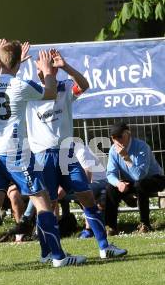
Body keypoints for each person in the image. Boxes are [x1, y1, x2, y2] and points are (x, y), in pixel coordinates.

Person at [0, 39, 85, 272]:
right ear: (18, 62)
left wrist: (2, 60)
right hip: (15, 152)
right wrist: (47, 71)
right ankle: (57, 256)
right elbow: (49, 93)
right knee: (43, 201)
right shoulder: (19, 85)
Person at [25, 48, 126, 259]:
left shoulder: (64, 88)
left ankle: (104, 246)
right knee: (48, 205)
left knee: (87, 196)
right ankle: (47, 252)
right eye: (42, 67)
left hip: (67, 154)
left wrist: (66, 66)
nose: (44, 70)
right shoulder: (31, 92)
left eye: (48, 66)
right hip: (44, 156)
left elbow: (85, 85)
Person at [106, 121, 165, 234]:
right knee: (110, 188)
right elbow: (110, 174)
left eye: (120, 136)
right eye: (113, 137)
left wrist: (126, 157)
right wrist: (119, 184)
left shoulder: (142, 147)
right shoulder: (113, 150)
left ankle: (145, 224)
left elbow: (140, 175)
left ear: (128, 133)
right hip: (134, 181)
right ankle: (111, 227)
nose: (117, 140)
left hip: (155, 179)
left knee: (140, 184)